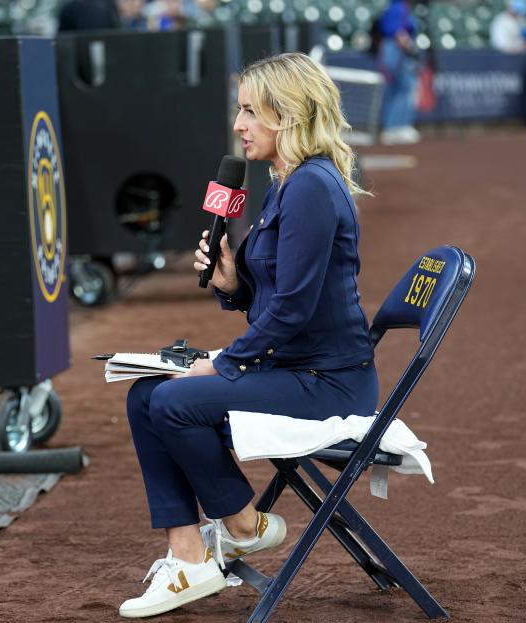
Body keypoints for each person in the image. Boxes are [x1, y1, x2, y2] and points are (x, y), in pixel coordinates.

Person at [120, 52, 378, 619]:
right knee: (144, 395)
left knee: (175, 402)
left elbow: (292, 310)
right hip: (295, 367)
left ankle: (242, 523)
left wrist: (225, 363)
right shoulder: (286, 184)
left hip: (328, 383)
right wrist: (234, 284)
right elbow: (280, 303)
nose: (238, 126)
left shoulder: (311, 186)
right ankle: (188, 558)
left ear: (286, 115)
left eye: (249, 112)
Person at [377, 0, 420, 144]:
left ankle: (392, 127)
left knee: (395, 89)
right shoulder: (399, 7)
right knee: (404, 87)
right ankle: (398, 127)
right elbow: (397, 33)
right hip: (395, 50)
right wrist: (410, 47)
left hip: (390, 49)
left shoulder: (397, 7)